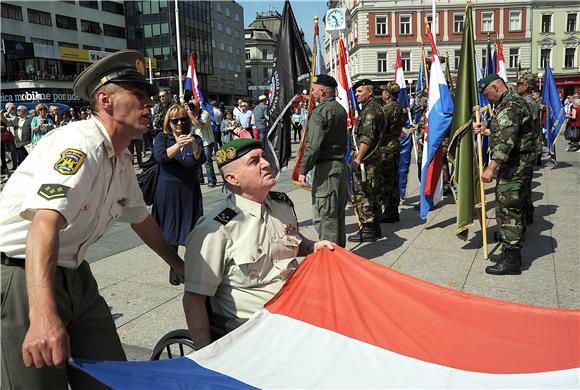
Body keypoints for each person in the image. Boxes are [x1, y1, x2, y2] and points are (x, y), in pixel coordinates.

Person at [0, 50, 185, 389]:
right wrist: (42, 317)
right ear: (105, 99)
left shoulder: (120, 158)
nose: (150, 105)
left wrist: (180, 264)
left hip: (75, 273)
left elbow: (141, 219)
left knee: (111, 378)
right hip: (20, 274)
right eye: (138, 95)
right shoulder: (80, 144)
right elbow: (44, 223)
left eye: (149, 97)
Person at [183, 138, 335, 348]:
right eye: (254, 161)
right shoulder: (215, 229)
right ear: (232, 178)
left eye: (263, 157)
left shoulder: (282, 205)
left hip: (297, 311)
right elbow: (194, 299)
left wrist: (312, 247)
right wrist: (205, 355)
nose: (266, 163)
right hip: (251, 331)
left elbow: (291, 244)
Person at [473, 74, 534, 276]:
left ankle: (512, 261)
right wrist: (488, 130)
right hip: (517, 164)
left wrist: (490, 169)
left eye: (487, 94)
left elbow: (506, 143)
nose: (487, 98)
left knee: (509, 209)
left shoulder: (509, 106)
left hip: (515, 166)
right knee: (513, 207)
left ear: (495, 87)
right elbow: (508, 132)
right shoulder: (509, 102)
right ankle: (511, 252)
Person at [153, 104, 205, 279]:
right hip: (167, 192)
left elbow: (201, 158)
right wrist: (177, 145)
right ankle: (175, 268)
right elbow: (160, 156)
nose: (179, 123)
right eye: (175, 120)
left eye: (183, 119)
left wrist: (193, 146)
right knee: (169, 232)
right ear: (169, 122)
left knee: (192, 232)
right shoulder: (162, 137)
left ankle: (190, 267)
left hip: (189, 192)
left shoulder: (195, 138)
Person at [298, 74, 348, 247]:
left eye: (313, 90)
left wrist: (303, 170)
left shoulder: (320, 112)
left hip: (327, 168)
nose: (311, 94)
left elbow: (313, 146)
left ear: (322, 91)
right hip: (340, 165)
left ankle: (331, 262)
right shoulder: (340, 109)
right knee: (337, 214)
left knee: (325, 215)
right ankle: (340, 257)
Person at [349, 79, 385, 242]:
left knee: (364, 193)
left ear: (369, 92)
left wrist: (358, 158)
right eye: (356, 92)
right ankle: (375, 228)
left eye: (360, 91)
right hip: (373, 159)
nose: (356, 94)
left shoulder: (370, 110)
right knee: (374, 193)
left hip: (367, 161)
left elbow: (367, 138)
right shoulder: (373, 107)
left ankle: (368, 229)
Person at [515, 73, 541, 225]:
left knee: (522, 188)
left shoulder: (527, 103)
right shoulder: (528, 101)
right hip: (529, 148)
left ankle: (522, 221)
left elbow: (523, 126)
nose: (517, 86)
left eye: (519, 84)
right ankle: (528, 216)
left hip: (526, 148)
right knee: (525, 187)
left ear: (526, 86)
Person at [379, 82, 404, 223]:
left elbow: (381, 129)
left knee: (386, 181)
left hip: (386, 148)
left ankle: (389, 211)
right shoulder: (399, 107)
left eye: (384, 91)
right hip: (394, 145)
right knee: (393, 179)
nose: (382, 93)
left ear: (387, 94)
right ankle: (393, 209)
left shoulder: (387, 108)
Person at [188, 99, 217, 188]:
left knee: (207, 161)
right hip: (197, 141)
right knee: (197, 160)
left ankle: (211, 180)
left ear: (199, 106)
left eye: (194, 106)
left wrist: (191, 116)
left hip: (207, 141)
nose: (193, 108)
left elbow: (201, 125)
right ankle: (200, 179)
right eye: (191, 106)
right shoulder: (191, 114)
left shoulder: (205, 113)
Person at [1, 105, 32, 169]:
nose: (18, 111)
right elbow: (6, 121)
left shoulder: (30, 119)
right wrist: (1, 115)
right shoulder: (15, 119)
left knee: (29, 162)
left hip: (28, 144)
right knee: (21, 163)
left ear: (25, 111)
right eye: (17, 109)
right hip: (19, 144)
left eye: (19, 110)